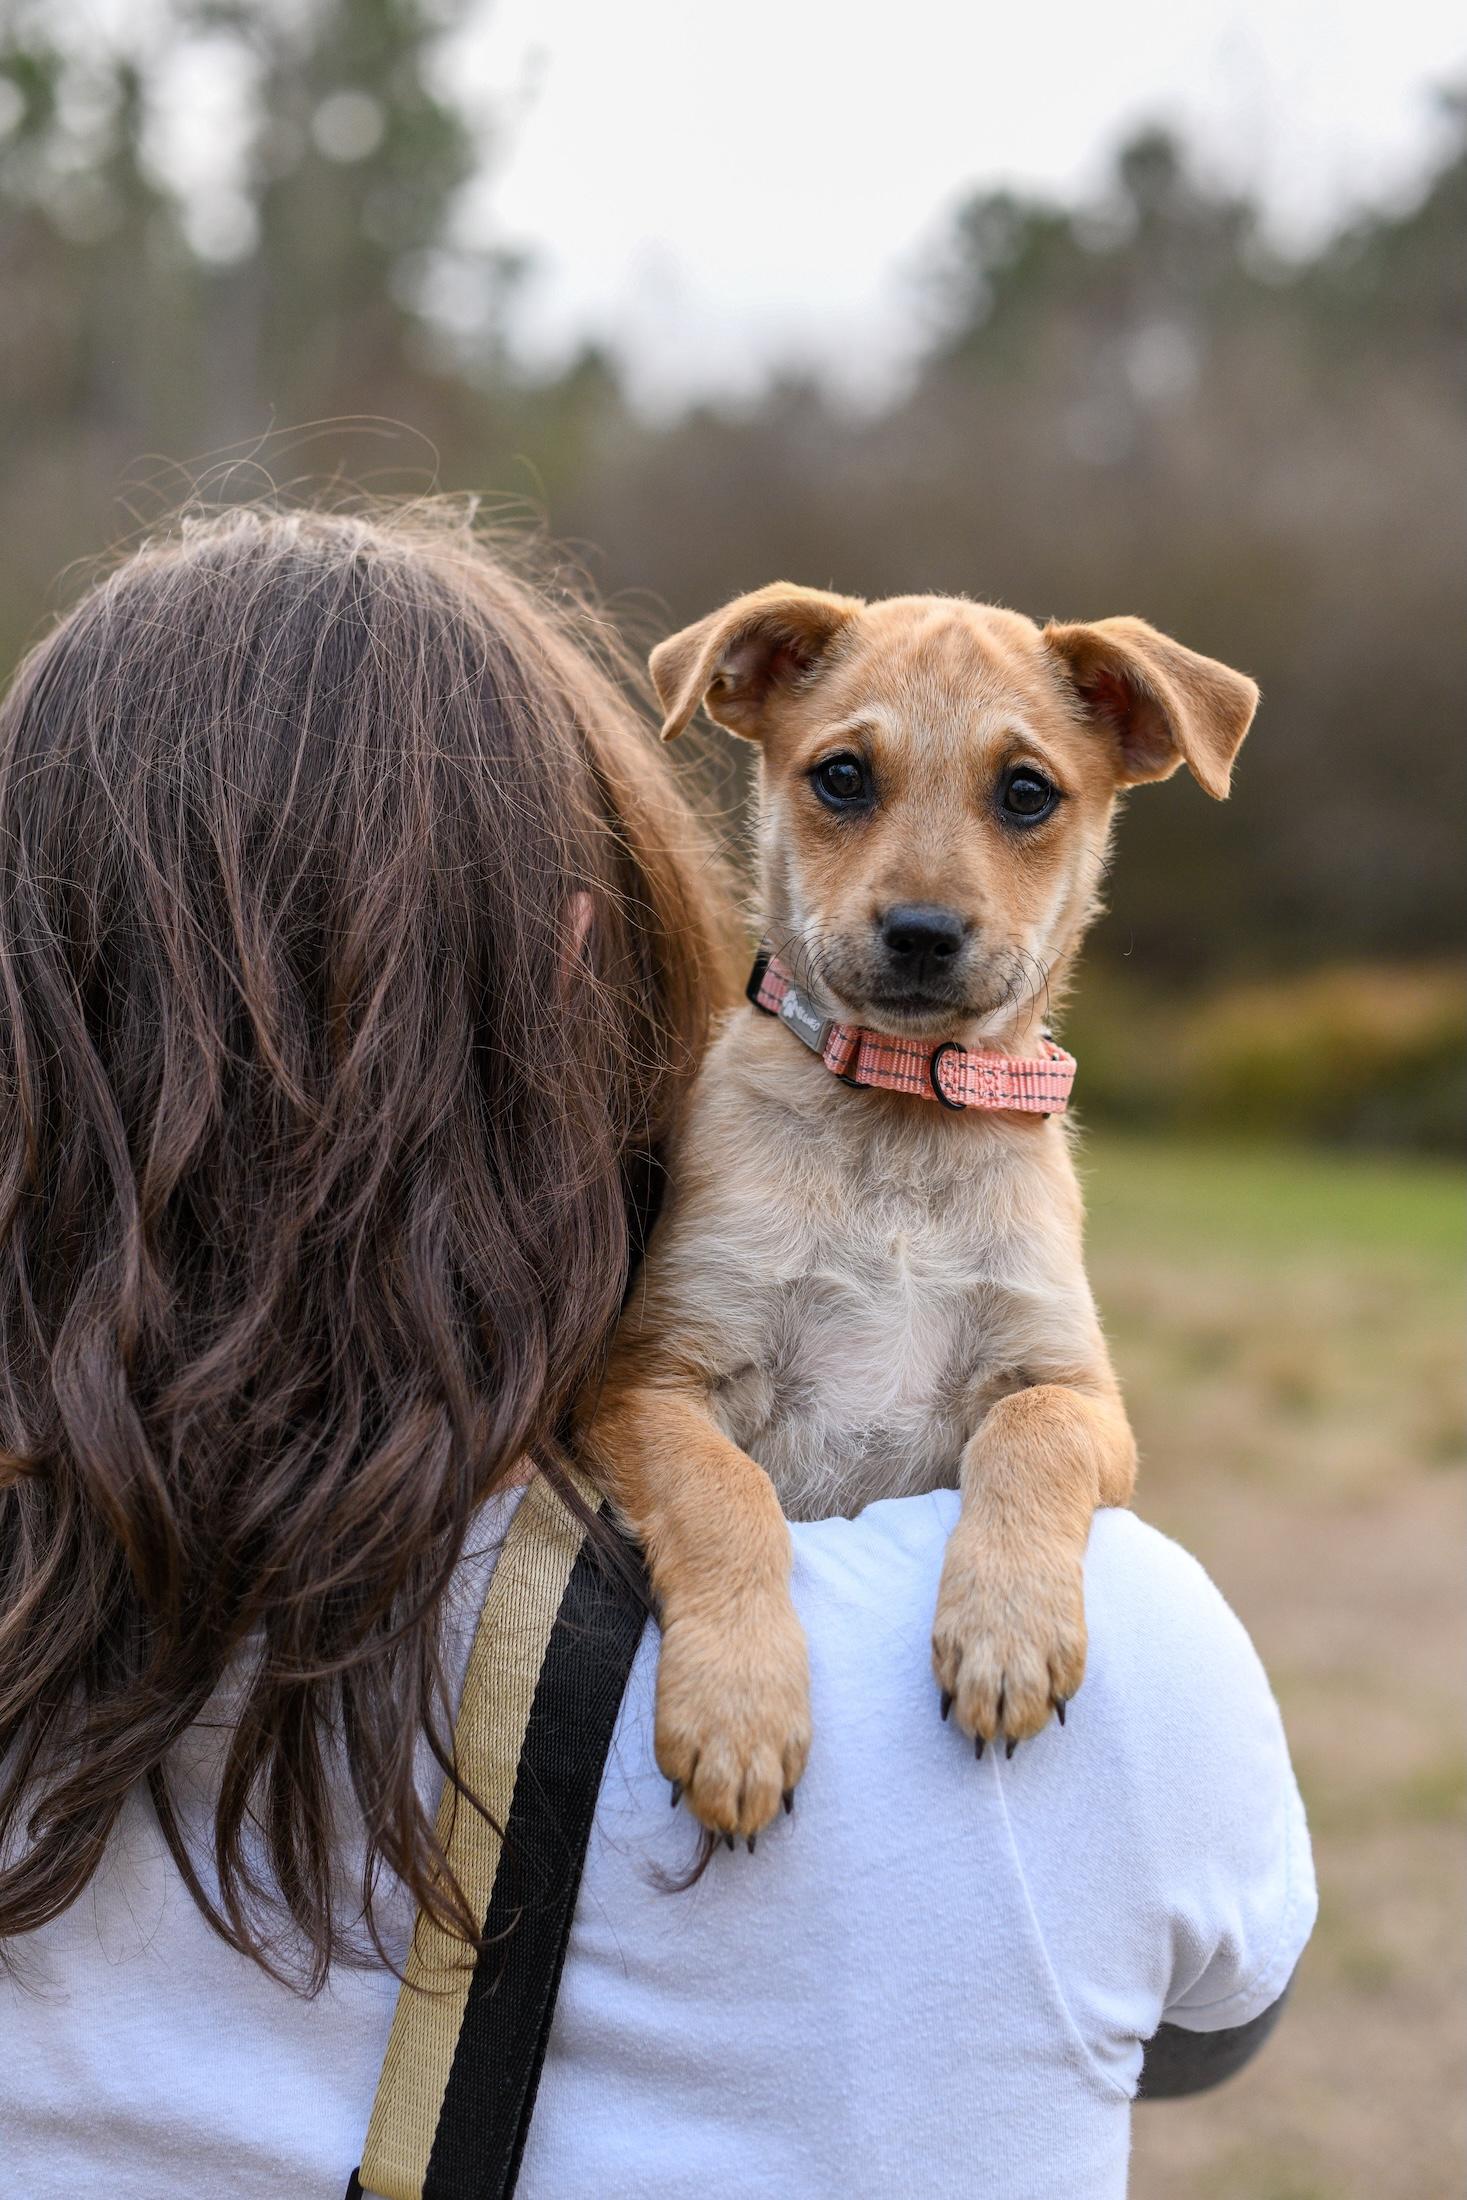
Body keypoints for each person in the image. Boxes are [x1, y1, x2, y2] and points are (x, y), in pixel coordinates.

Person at [0, 508, 1315, 2200]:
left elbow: (1062, 1400)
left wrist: (1034, 1481)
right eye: (844, 783)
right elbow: (1211, 2021)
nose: (927, 896)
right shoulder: (1143, 1678)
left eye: (1019, 799)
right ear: (577, 955)